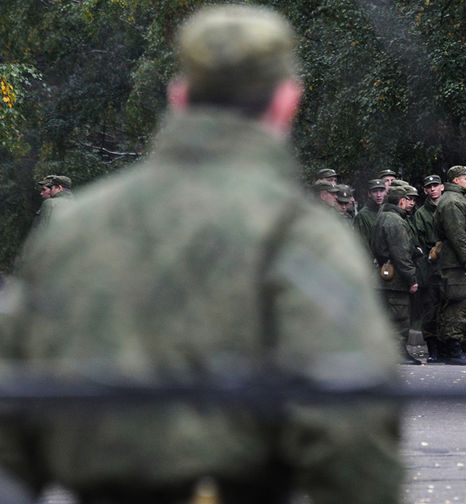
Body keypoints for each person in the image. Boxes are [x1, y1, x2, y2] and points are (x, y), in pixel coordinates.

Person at [0, 6, 403, 503]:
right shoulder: (299, 234)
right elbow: (350, 422)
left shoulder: (75, 226)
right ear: (286, 103)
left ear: (179, 97)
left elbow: (11, 410)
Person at [434, 165, 466, 365]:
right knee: (458, 305)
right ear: (456, 180)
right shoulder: (452, 202)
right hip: (457, 263)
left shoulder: (456, 199)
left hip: (461, 261)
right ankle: (453, 350)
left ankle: (461, 348)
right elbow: (457, 235)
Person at [372, 185, 422, 365]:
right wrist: (412, 278)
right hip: (396, 278)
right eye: (410, 199)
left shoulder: (383, 216)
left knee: (389, 315)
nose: (412, 203)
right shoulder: (395, 220)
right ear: (401, 200)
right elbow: (400, 254)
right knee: (399, 317)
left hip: (385, 275)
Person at [411, 174, 445, 362]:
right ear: (425, 191)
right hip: (431, 269)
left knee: (448, 308)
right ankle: (433, 350)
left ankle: (447, 348)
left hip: (448, 268)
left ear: (442, 187)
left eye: (435, 185)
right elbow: (420, 246)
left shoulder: (449, 207)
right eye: (429, 187)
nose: (432, 189)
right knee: (431, 310)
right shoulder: (421, 214)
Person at [353, 178, 388, 254]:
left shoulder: (386, 211)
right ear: (369, 194)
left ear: (385, 192)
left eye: (381, 191)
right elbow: (361, 244)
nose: (379, 195)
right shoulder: (362, 216)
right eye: (375, 192)